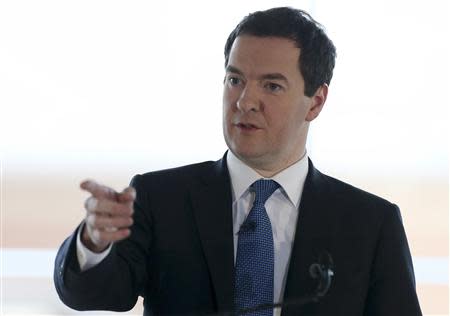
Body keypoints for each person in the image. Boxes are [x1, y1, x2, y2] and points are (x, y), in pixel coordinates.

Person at [54, 7, 422, 316]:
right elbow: (91, 294)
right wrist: (95, 243)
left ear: (316, 102)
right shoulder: (159, 198)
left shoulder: (371, 224)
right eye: (235, 80)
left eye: (272, 86)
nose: (245, 100)